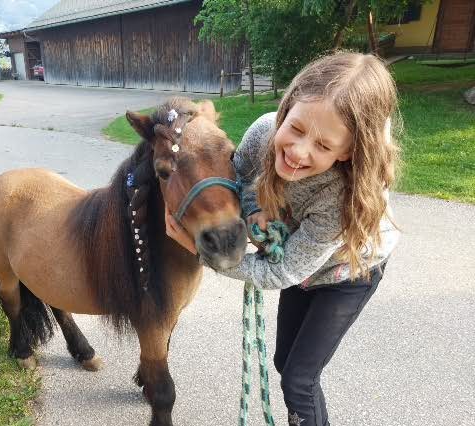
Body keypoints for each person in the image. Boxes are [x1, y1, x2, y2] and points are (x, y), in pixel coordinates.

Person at [164, 52, 401, 426]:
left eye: (323, 146)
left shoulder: (339, 200)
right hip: (296, 258)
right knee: (282, 361)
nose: (298, 151)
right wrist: (253, 206)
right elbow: (240, 174)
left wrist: (201, 251)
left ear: (349, 150)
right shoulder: (263, 131)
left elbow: (281, 272)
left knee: (299, 380)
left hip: (346, 274)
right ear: (286, 108)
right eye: (296, 128)